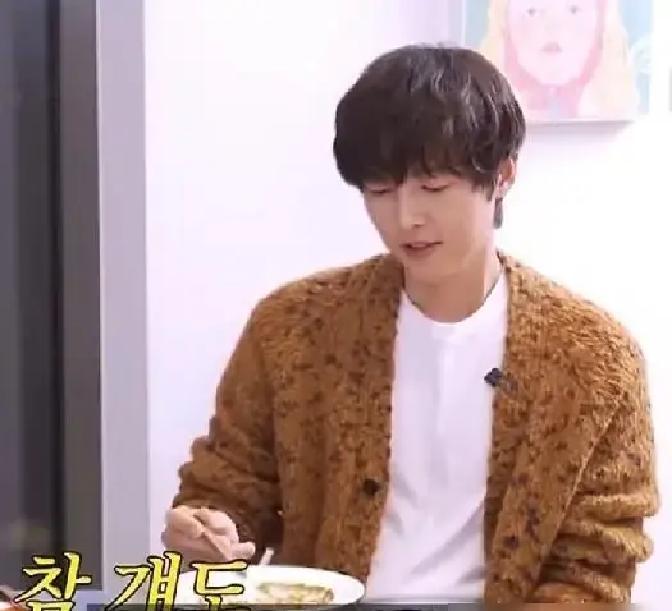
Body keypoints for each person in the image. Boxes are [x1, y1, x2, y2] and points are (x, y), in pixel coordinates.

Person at [161, 45, 659, 604]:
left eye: (433, 188)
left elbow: (595, 567)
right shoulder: (291, 327)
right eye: (380, 191)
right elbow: (228, 488)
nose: (405, 218)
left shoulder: (593, 357)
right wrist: (210, 529)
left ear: (502, 175)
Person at [477, 0, 640, 121]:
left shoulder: (617, 109)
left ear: (602, 22)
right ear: (503, 23)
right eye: (532, 11)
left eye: (574, 10)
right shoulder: (486, 115)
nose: (553, 27)